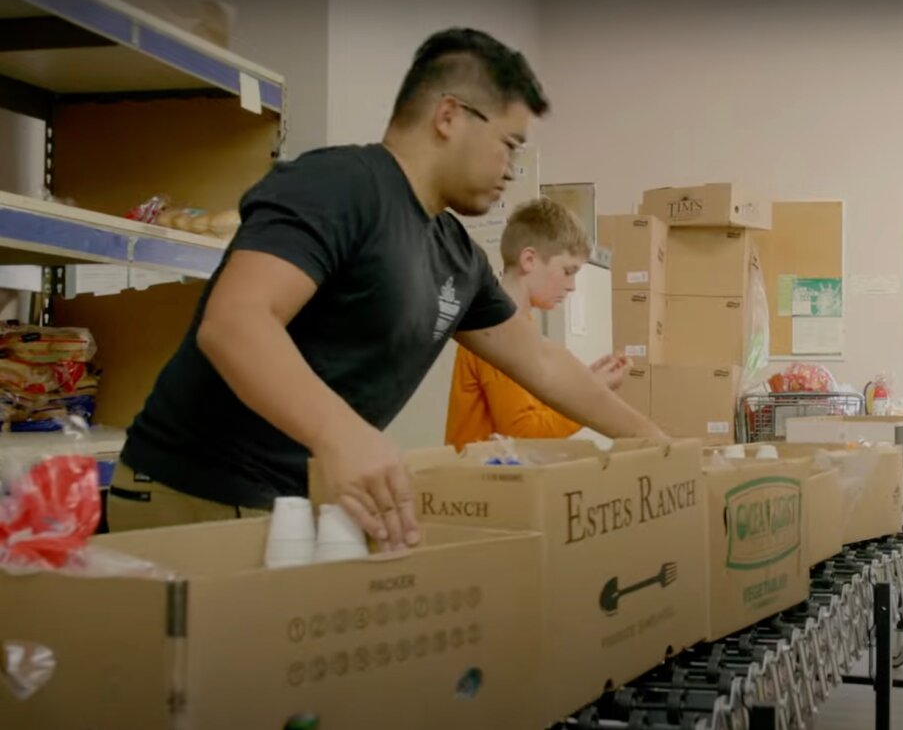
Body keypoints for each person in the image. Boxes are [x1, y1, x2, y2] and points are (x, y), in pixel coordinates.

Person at [107, 28, 665, 551]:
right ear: (449, 115)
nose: (511, 169)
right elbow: (236, 322)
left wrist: (655, 444)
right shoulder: (340, 185)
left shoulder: (456, 255)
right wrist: (341, 434)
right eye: (507, 144)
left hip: (298, 506)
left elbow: (541, 360)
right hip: (192, 496)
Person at [445, 197, 630, 450]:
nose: (572, 286)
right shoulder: (498, 331)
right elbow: (523, 432)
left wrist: (587, 383)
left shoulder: (521, 327)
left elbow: (537, 407)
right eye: (568, 271)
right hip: (476, 485)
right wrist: (590, 398)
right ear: (529, 260)